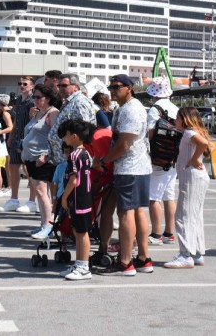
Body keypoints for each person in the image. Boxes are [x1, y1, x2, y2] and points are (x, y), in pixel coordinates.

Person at [96, 74, 152, 276]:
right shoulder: (126, 108)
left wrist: (104, 161)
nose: (112, 90)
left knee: (125, 213)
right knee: (138, 212)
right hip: (138, 167)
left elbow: (124, 144)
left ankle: (125, 262)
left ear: (129, 88)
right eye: (110, 87)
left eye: (117, 86)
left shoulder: (131, 110)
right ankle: (143, 259)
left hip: (130, 168)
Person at [163, 107, 213, 269]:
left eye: (177, 117)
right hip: (198, 178)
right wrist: (196, 157)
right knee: (195, 215)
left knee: (183, 216)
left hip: (192, 178)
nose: (174, 120)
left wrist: (193, 159)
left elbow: (205, 144)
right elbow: (211, 146)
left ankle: (185, 255)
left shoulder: (189, 133)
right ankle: (197, 253)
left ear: (185, 118)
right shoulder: (195, 131)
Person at [20, 85, 60, 238]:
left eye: (38, 97)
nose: (35, 100)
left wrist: (46, 155)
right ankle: (43, 224)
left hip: (43, 159)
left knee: (42, 191)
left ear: (48, 98)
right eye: (34, 97)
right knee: (38, 191)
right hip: (31, 158)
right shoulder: (38, 114)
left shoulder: (53, 113)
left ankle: (48, 226)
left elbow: (55, 138)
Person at [58, 119, 96, 281]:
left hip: (78, 197)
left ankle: (83, 267)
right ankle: (79, 263)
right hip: (84, 196)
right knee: (78, 231)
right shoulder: (86, 152)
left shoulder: (74, 155)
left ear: (74, 136)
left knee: (81, 233)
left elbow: (74, 180)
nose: (64, 138)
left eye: (66, 135)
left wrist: (64, 198)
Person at [145, 76, 180, 245]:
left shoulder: (155, 109)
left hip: (157, 158)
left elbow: (150, 133)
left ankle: (156, 234)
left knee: (154, 197)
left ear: (154, 93)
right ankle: (169, 233)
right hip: (172, 157)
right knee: (169, 196)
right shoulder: (175, 108)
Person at [48, 73, 95, 168]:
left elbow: (83, 131)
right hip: (63, 159)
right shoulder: (70, 102)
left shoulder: (79, 102)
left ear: (76, 87)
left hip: (73, 161)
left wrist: (73, 154)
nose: (60, 88)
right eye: (59, 85)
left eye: (64, 85)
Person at [3, 76, 35, 210]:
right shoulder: (18, 100)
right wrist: (11, 136)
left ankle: (32, 201)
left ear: (31, 86)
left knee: (31, 170)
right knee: (13, 166)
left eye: (25, 84)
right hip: (17, 137)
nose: (22, 86)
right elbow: (16, 120)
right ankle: (14, 199)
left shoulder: (33, 100)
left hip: (29, 138)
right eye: (20, 83)